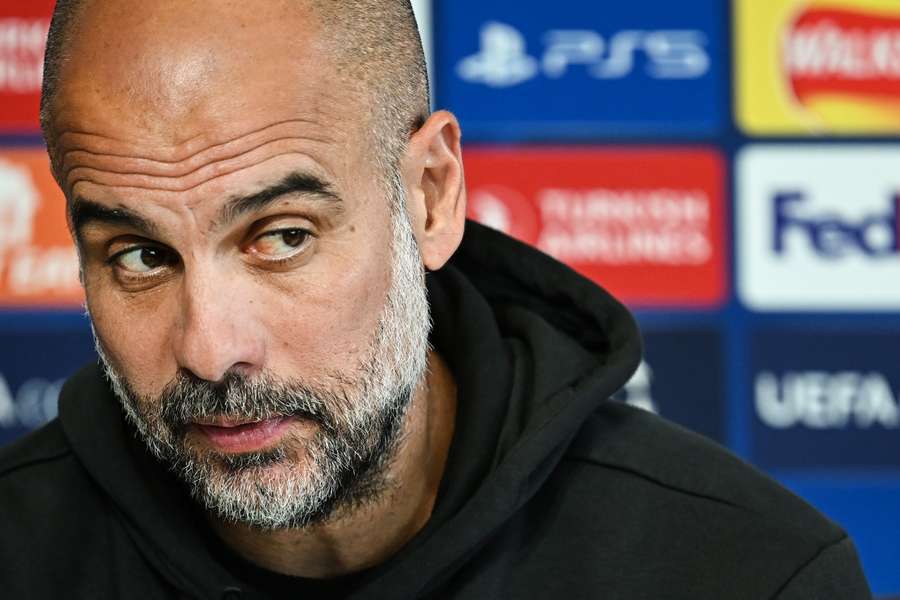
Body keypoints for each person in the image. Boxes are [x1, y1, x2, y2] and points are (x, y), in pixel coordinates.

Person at [0, 1, 873, 598]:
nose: (209, 347)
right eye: (141, 255)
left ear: (430, 196)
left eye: (282, 236)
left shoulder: (748, 574)